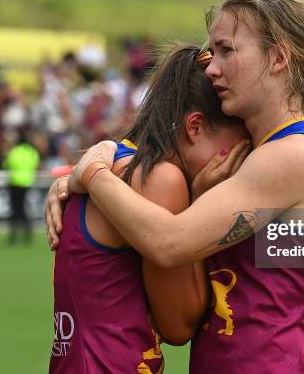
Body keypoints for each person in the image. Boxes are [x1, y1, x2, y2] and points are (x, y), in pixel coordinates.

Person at [47, 0, 304, 373]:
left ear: (278, 57)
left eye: (227, 51)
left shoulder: (294, 154)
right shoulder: (266, 153)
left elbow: (170, 242)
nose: (211, 67)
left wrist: (92, 173)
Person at [49, 44, 250, 373]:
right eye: (235, 151)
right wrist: (202, 201)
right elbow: (179, 326)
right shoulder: (159, 178)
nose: (237, 167)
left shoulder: (121, 161)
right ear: (195, 127)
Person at [3, 129, 40, 245]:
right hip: (27, 182)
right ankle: (27, 232)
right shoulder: (32, 152)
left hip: (15, 182)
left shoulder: (14, 151)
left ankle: (13, 235)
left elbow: (7, 165)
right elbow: (35, 164)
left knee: (15, 209)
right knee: (23, 208)